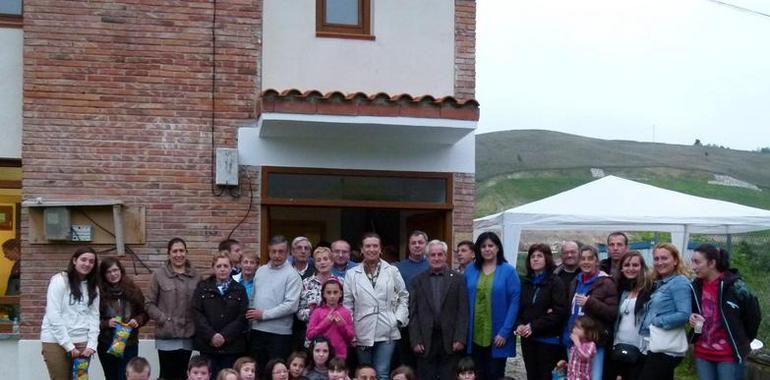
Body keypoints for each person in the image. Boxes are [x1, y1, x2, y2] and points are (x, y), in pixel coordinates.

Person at [343, 232, 409, 380]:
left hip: (387, 328)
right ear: (361, 249)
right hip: (362, 329)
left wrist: (397, 320)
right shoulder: (352, 274)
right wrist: (351, 331)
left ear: (380, 249)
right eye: (367, 246)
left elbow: (404, 296)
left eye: (375, 246)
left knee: (382, 372)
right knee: (364, 374)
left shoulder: (392, 271)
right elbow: (348, 305)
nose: (371, 249)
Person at [689, 244, 761, 380]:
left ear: (712, 263)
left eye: (697, 262)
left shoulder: (736, 287)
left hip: (729, 355)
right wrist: (691, 317)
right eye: (692, 261)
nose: (693, 267)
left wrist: (741, 340)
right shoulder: (695, 286)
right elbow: (694, 311)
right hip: (703, 353)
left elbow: (753, 317)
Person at [408, 240, 469, 380]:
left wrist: (460, 338)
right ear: (427, 257)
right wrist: (415, 339)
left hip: (450, 339)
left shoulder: (458, 279)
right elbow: (413, 312)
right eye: (432, 255)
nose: (436, 258)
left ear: (446, 256)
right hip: (425, 340)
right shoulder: (417, 280)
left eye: (440, 254)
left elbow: (463, 311)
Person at [464, 231, 521, 380]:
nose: (487, 249)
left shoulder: (509, 271)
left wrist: (504, 332)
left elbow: (515, 302)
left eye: (491, 245)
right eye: (483, 246)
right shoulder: (470, 270)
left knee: (495, 374)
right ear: (478, 249)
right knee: (475, 374)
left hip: (497, 336)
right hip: (474, 334)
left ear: (498, 248)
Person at [40, 247, 100, 380]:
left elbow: (94, 317)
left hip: (82, 341)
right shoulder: (60, 280)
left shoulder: (93, 287)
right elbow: (53, 314)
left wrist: (91, 344)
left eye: (91, 261)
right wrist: (69, 346)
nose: (87, 264)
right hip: (56, 341)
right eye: (83, 260)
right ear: (74, 260)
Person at [146, 237, 200, 380]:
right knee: (166, 375)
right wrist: (163, 319)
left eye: (181, 250)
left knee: (183, 375)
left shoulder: (196, 276)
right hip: (166, 334)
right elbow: (148, 303)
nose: (178, 254)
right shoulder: (158, 275)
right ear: (168, 254)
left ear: (186, 252)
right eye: (174, 251)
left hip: (188, 333)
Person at [247, 235, 303, 372]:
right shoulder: (260, 271)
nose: (277, 255)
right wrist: (251, 316)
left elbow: (291, 305)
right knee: (257, 371)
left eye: (281, 251)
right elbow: (253, 298)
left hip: (280, 335)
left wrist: (264, 314)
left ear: (288, 252)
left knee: (277, 372)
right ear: (268, 251)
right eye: (273, 251)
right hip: (257, 331)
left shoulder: (292, 275)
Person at [562, 245, 617, 380]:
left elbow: (612, 314)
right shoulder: (576, 280)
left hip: (593, 342)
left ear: (596, 261)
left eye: (590, 259)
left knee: (594, 377)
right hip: (574, 340)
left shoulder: (606, 282)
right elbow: (571, 311)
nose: (586, 262)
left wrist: (590, 303)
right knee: (575, 376)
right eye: (582, 259)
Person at [638, 243, 691, 380]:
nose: (660, 262)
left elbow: (684, 314)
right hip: (655, 345)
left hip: (666, 348)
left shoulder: (679, 282)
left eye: (664, 258)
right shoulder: (660, 283)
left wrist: (657, 322)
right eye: (656, 259)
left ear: (675, 261)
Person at [192, 252, 249, 378]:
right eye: (218, 266)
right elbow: (197, 313)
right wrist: (212, 335)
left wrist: (224, 336)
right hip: (208, 346)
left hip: (232, 346)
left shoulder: (239, 289)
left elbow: (242, 316)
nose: (222, 269)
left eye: (225, 266)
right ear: (213, 268)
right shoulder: (202, 287)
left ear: (231, 267)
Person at [515, 243, 568, 380]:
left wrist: (534, 326)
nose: (535, 259)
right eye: (532, 256)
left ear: (547, 259)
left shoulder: (555, 282)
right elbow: (521, 309)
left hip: (548, 340)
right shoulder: (526, 283)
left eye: (539, 256)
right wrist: (519, 324)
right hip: (528, 340)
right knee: (532, 376)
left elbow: (559, 312)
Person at [98, 257, 149, 380]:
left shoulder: (133, 290)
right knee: (111, 377)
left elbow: (145, 313)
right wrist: (106, 323)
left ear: (121, 270)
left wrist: (137, 321)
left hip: (129, 343)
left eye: (115, 270)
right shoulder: (98, 293)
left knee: (127, 377)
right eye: (108, 272)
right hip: (106, 343)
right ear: (103, 275)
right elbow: (90, 319)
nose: (113, 274)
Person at [605, 251, 651, 380]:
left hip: (641, 347)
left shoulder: (650, 289)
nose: (630, 268)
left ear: (642, 267)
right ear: (621, 268)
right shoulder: (620, 289)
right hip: (619, 344)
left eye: (635, 265)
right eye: (627, 265)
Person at [394, 230, 429, 369]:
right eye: (413, 243)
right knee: (406, 363)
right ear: (408, 246)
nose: (417, 245)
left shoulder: (433, 266)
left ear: (426, 245)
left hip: (427, 322)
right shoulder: (398, 268)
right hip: (405, 322)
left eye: (420, 242)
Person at [297, 247, 338, 347]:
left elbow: (346, 310)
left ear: (332, 262)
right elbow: (299, 312)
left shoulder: (340, 282)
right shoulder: (306, 283)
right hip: (313, 335)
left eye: (325, 259)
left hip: (335, 334)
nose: (322, 262)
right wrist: (312, 312)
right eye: (318, 260)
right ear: (315, 264)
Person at [306, 278, 355, 359]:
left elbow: (350, 337)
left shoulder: (346, 312)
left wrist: (342, 325)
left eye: (335, 292)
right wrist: (324, 323)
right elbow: (310, 335)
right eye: (328, 293)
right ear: (324, 294)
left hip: (340, 356)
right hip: (321, 356)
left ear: (341, 294)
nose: (332, 296)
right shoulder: (317, 312)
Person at [567, 316, 601, 380]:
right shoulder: (574, 345)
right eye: (574, 327)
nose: (574, 329)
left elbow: (584, 357)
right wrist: (566, 365)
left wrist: (577, 344)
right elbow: (574, 363)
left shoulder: (591, 345)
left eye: (578, 328)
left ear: (588, 331)